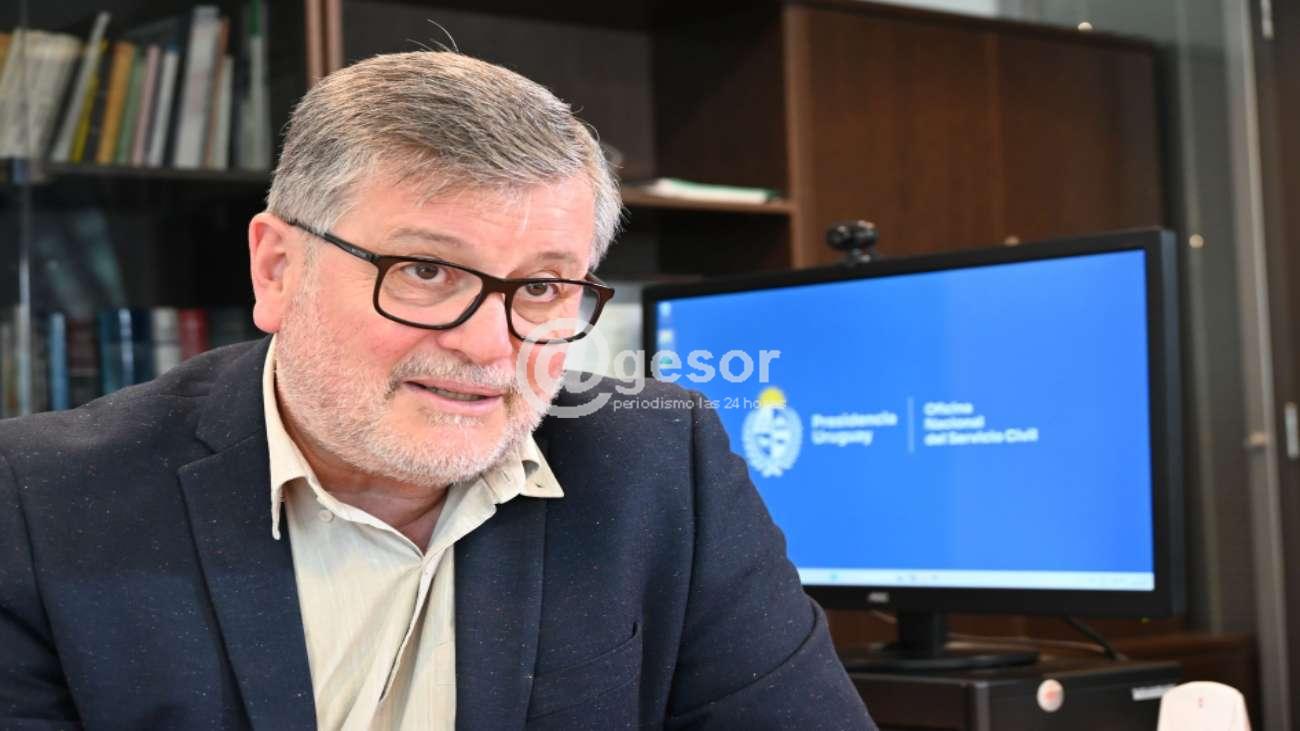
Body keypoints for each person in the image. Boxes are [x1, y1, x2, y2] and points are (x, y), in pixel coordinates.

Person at [0, 51, 874, 729]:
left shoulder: (660, 461)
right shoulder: (39, 499)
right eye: (425, 270)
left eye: (543, 286)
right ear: (277, 269)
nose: (488, 344)